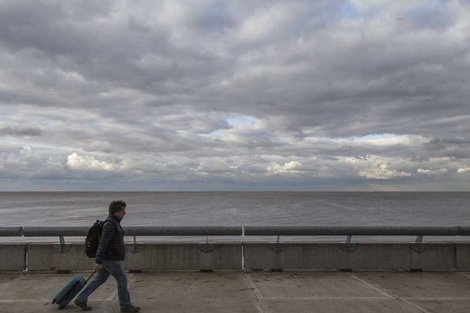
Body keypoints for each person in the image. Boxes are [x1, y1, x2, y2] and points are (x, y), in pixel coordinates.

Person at [75, 200, 141, 313]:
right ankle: (125, 306)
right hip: (111, 259)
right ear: (116, 211)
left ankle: (81, 298)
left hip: (109, 258)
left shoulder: (114, 222)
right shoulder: (110, 224)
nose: (125, 213)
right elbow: (103, 243)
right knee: (122, 280)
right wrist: (99, 261)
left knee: (100, 279)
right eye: (123, 210)